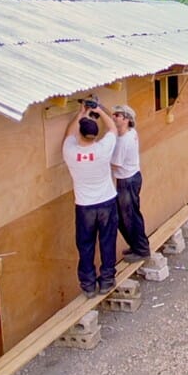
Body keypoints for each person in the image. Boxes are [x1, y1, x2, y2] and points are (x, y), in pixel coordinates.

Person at [62, 100, 119, 298]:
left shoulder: (70, 151)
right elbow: (112, 128)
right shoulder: (103, 149)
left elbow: (69, 134)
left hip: (85, 207)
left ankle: (88, 285)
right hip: (107, 203)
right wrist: (99, 109)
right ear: (95, 134)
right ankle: (107, 280)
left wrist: (81, 114)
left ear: (81, 133)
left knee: (85, 246)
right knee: (107, 242)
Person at [110, 105, 150, 263]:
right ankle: (136, 246)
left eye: (117, 115)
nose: (113, 117)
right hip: (132, 178)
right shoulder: (131, 132)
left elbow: (115, 164)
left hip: (126, 182)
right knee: (129, 216)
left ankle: (141, 250)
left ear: (126, 119)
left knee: (129, 217)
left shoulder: (122, 142)